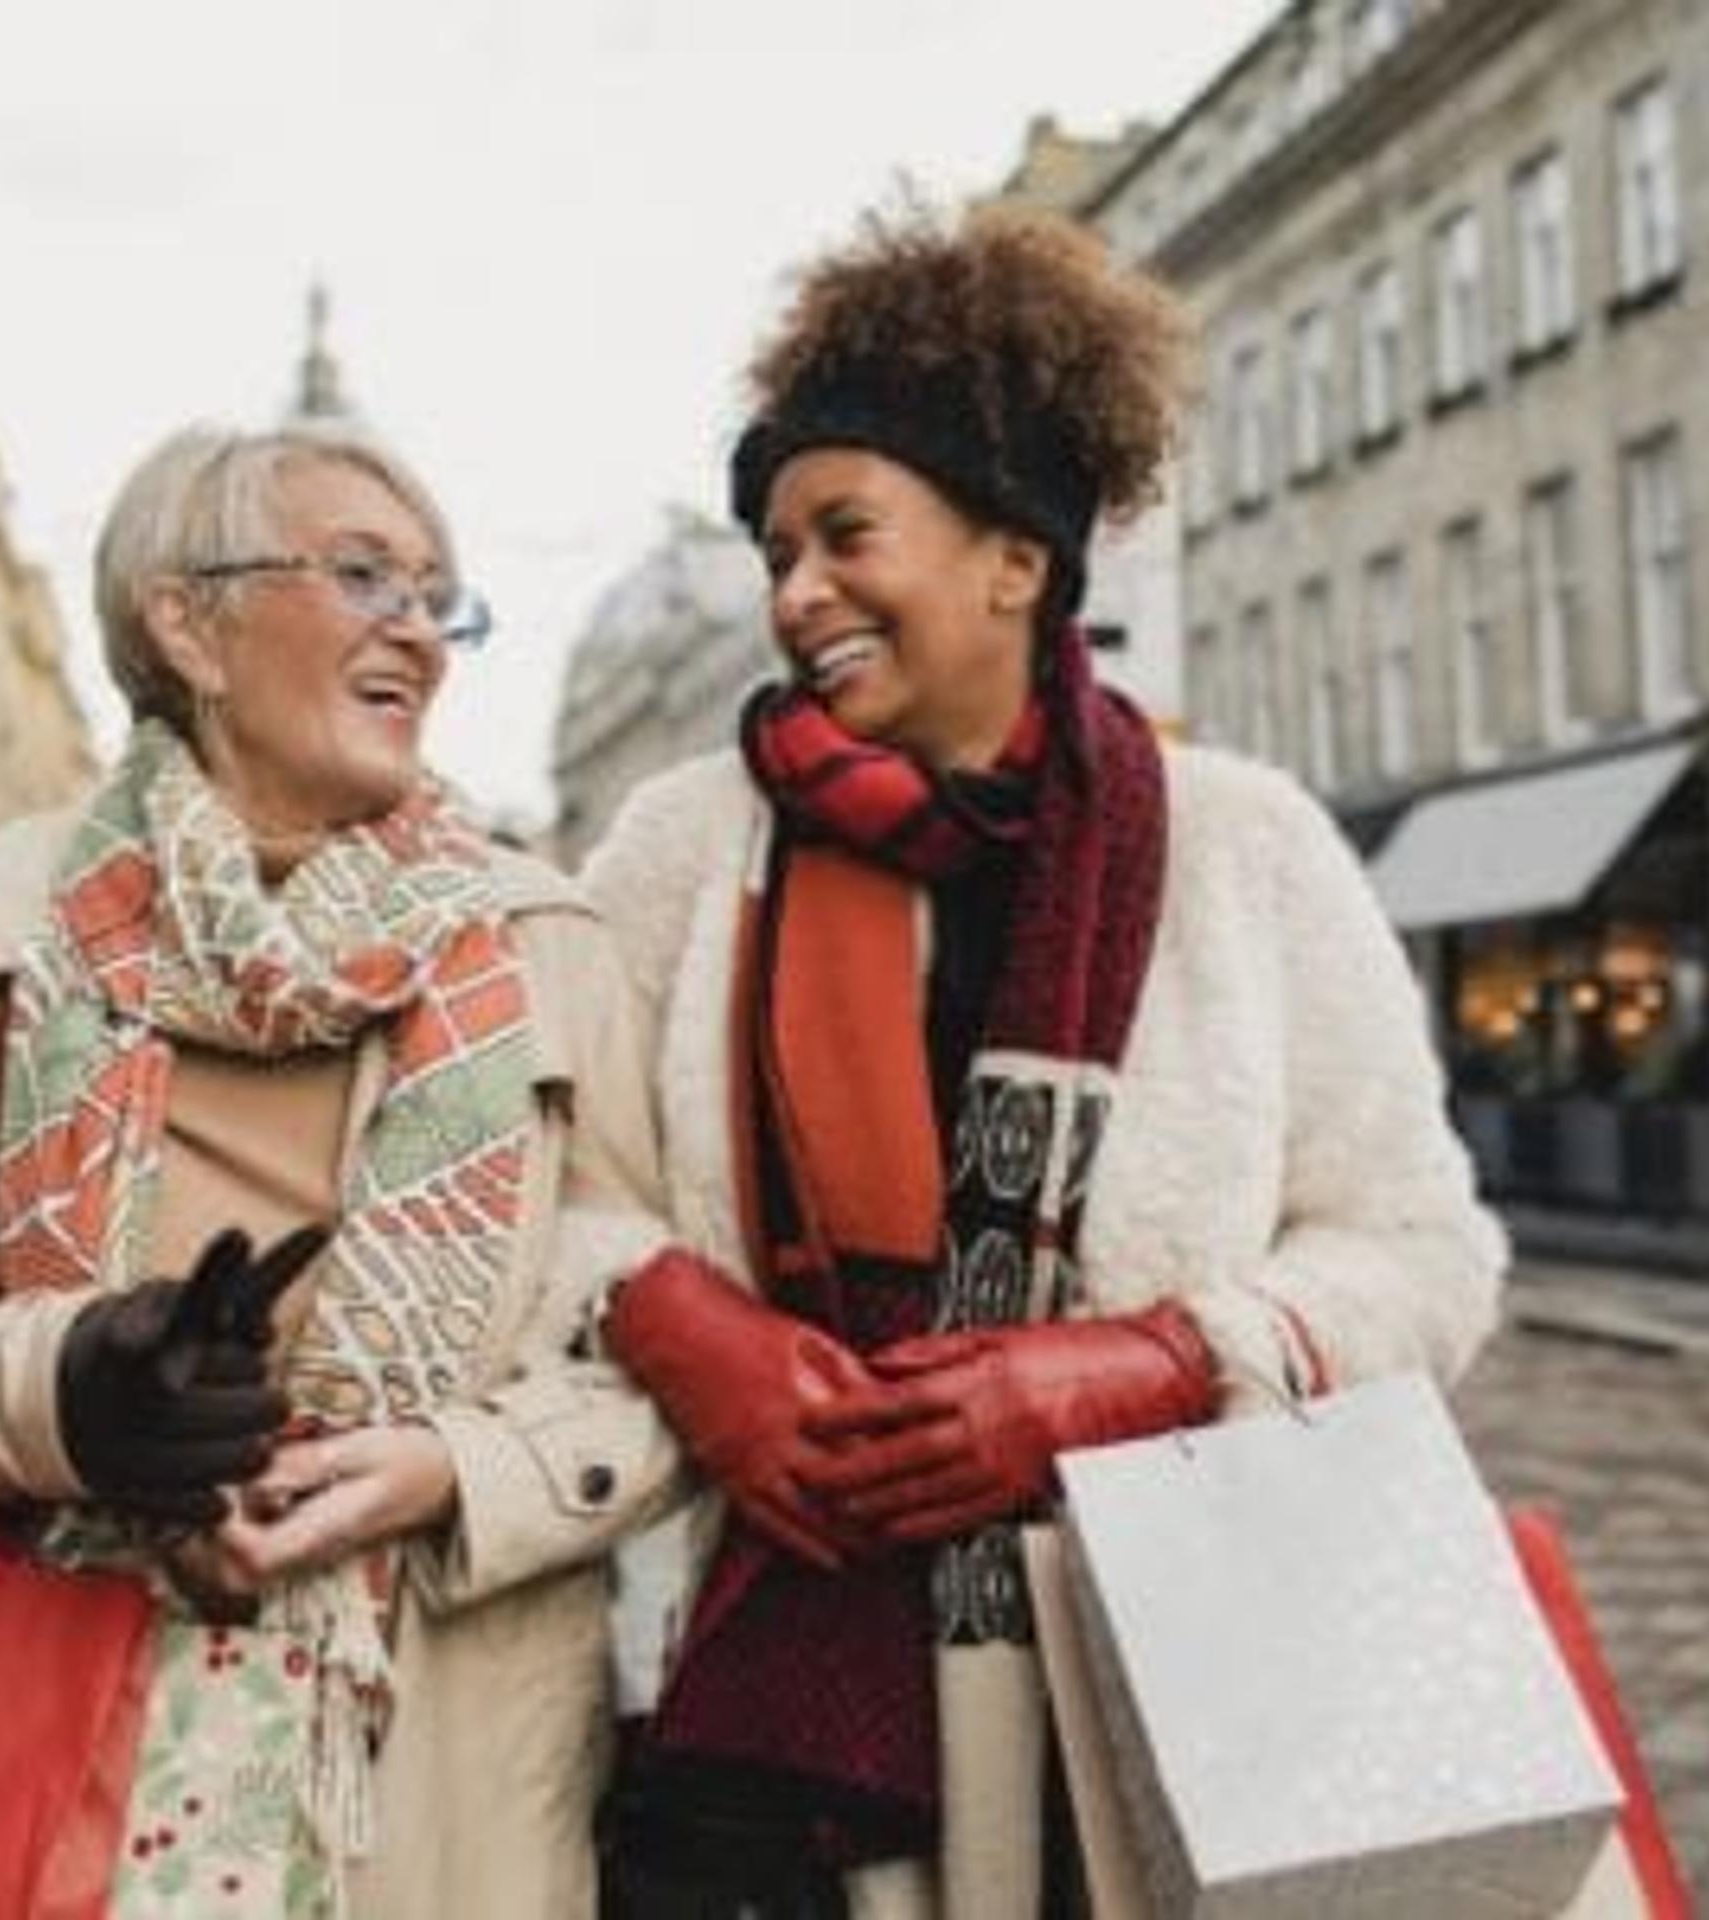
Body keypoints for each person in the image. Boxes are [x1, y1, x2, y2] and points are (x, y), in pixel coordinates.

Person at [577, 205, 1511, 1915]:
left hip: (1174, 1687)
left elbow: (1430, 1259)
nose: (797, 596)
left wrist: (1155, 1363)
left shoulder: (1247, 846)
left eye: (845, 533)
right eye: (777, 551)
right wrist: (670, 1317)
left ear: (1018, 557)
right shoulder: (678, 846)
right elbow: (540, 1184)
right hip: (771, 1726)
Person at [0, 420, 685, 1914]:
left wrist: (446, 1471)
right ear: (186, 622)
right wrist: (63, 1400)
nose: (420, 630)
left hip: (436, 1792)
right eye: (362, 576)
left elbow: (661, 1364)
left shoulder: (548, 951)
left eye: (437, 596)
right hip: (47, 1771)